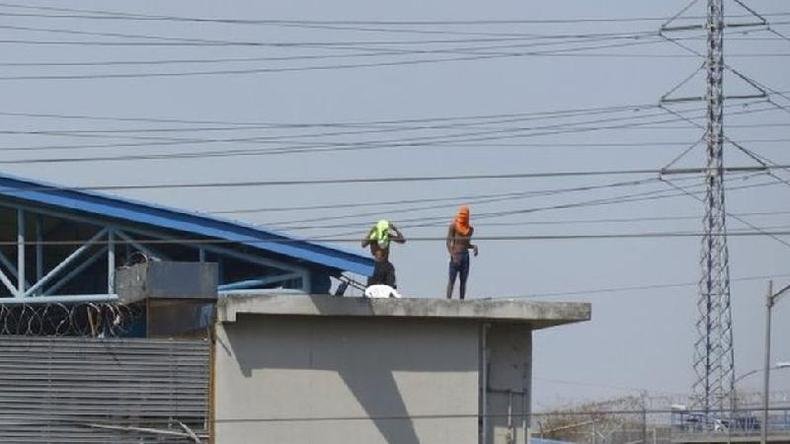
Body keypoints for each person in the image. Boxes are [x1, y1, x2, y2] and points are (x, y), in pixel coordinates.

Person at [361, 219, 405, 288]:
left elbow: (402, 240)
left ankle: (390, 292)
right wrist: (371, 232)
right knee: (371, 288)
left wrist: (395, 229)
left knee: (390, 286)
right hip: (375, 265)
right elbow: (363, 244)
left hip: (386, 264)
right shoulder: (374, 237)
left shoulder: (387, 236)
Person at [446, 206, 478, 300]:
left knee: (463, 281)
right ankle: (448, 300)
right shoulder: (453, 226)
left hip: (465, 256)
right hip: (456, 255)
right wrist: (452, 254)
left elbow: (466, 244)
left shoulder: (470, 229)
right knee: (452, 280)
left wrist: (473, 247)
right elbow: (448, 242)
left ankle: (462, 301)